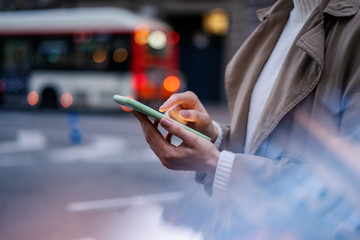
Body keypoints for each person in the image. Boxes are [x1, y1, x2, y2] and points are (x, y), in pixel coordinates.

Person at [134, 0, 360, 238]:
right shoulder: (280, 17)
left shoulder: (349, 26)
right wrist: (214, 137)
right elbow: (261, 143)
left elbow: (348, 182)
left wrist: (218, 164)